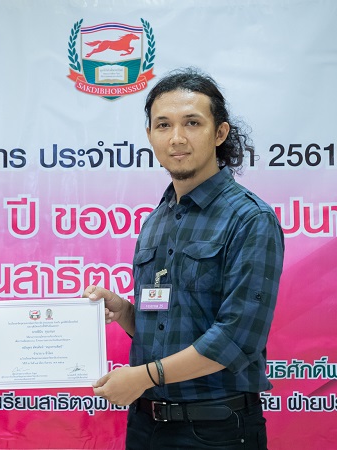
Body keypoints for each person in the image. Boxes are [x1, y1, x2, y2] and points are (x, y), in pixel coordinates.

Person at [85, 68, 284, 449]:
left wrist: (143, 377)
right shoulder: (156, 220)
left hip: (216, 430)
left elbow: (236, 339)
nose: (176, 138)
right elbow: (167, 324)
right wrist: (124, 312)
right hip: (146, 427)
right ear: (150, 135)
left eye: (192, 123)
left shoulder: (249, 218)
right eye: (163, 125)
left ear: (219, 133)